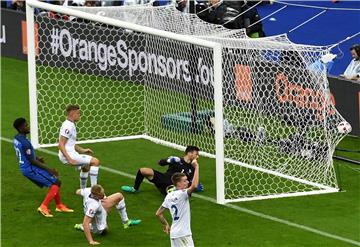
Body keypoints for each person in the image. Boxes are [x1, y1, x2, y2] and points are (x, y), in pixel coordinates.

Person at [13, 118, 73, 217]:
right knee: (55, 183)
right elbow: (31, 160)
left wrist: (36, 158)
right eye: (25, 125)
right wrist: (49, 169)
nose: (28, 127)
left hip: (27, 166)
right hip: (30, 168)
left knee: (56, 181)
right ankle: (43, 207)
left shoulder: (17, 138)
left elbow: (26, 154)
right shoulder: (25, 142)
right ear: (20, 128)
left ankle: (59, 205)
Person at [74, 184, 141, 245]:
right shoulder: (93, 205)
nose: (104, 196)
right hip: (99, 226)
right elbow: (85, 223)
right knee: (104, 230)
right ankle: (83, 227)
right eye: (101, 195)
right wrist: (91, 241)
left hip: (101, 209)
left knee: (119, 196)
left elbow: (77, 191)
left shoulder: (88, 190)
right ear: (96, 195)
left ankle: (126, 222)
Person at [121, 146, 202, 195]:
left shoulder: (193, 167)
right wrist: (169, 160)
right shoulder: (176, 159)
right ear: (189, 153)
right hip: (164, 178)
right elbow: (160, 163)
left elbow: (189, 181)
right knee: (143, 170)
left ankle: (170, 192)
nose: (197, 157)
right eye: (196, 154)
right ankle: (135, 189)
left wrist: (194, 186)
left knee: (176, 190)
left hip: (174, 186)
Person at [155, 160, 199, 247]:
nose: (187, 182)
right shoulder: (183, 194)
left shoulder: (168, 196)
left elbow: (158, 213)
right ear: (178, 183)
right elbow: (194, 186)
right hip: (183, 234)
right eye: (185, 181)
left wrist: (165, 224)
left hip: (174, 234)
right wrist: (197, 167)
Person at [58, 105, 100, 189]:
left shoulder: (70, 124)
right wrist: (70, 159)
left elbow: (70, 143)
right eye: (78, 113)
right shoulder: (68, 126)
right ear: (73, 113)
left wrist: (83, 150)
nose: (79, 115)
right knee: (95, 162)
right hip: (68, 156)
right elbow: (61, 144)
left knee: (86, 167)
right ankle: (94, 191)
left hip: (71, 153)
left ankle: (83, 190)